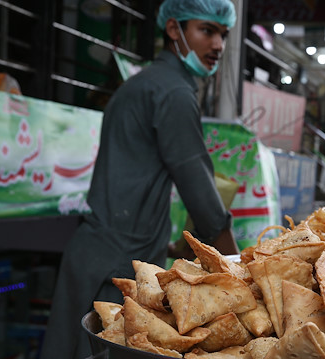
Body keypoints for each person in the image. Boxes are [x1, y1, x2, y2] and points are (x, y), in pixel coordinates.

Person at [40, 1, 238, 358]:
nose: (219, 45)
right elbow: (199, 187)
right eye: (207, 31)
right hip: (116, 266)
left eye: (223, 34)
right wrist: (237, 271)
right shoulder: (173, 93)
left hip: (98, 250)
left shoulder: (144, 83)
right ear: (175, 30)